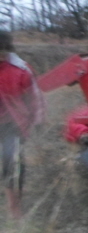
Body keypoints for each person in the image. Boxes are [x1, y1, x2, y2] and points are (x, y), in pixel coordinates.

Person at [0, 31, 45, 219]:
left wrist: (38, 121)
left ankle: (15, 209)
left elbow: (35, 98)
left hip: (13, 123)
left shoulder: (21, 70)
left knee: (13, 164)